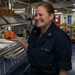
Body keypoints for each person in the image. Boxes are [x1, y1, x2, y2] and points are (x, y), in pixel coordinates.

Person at [11, 2, 72, 75]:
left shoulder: (60, 37)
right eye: (36, 15)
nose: (36, 18)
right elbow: (31, 49)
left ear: (51, 16)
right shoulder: (35, 31)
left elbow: (63, 70)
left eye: (41, 15)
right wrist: (18, 39)